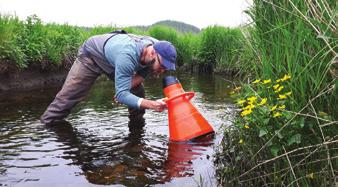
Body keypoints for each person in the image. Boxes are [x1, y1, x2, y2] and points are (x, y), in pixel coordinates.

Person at [40, 30, 177, 127]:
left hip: (114, 59)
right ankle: (44, 127)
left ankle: (137, 129)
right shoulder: (127, 55)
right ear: (152, 53)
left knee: (136, 91)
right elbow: (122, 94)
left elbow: (142, 74)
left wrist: (124, 91)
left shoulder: (156, 47)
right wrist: (151, 104)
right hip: (92, 57)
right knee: (69, 97)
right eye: (163, 65)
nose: (163, 70)